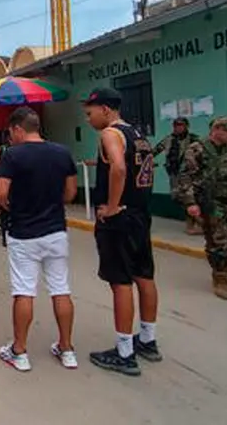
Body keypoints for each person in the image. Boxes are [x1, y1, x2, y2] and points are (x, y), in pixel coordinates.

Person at [83, 87, 161, 377]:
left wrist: (113, 206)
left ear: (105, 109)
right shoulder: (138, 136)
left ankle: (125, 352)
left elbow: (118, 168)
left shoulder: (111, 134)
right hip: (141, 214)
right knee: (144, 275)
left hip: (121, 218)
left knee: (121, 281)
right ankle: (148, 339)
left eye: (90, 113)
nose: (89, 120)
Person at [0, 107, 79, 372]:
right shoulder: (62, 152)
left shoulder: (13, 155)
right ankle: (66, 349)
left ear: (18, 129)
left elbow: (0, 192)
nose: (11, 137)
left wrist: (10, 206)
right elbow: (71, 193)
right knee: (60, 288)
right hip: (55, 230)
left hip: (24, 233)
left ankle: (19, 351)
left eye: (11, 132)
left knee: (24, 291)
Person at [175, 116, 227, 301]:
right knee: (218, 240)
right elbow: (185, 178)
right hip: (211, 201)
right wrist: (190, 203)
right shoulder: (197, 149)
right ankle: (220, 276)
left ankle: (225, 268)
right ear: (216, 130)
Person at [153, 117, 202, 235]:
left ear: (186, 126)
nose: (178, 128)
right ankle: (197, 221)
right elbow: (155, 151)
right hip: (174, 174)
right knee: (177, 197)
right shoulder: (169, 140)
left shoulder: (194, 139)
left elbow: (204, 154)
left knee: (189, 197)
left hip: (190, 175)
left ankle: (194, 224)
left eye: (181, 125)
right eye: (176, 126)